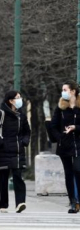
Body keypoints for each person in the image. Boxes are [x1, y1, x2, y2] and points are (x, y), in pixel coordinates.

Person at [0, 90, 30, 214]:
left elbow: (27, 132)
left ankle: (20, 203)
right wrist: (1, 143)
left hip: (17, 151)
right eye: (17, 98)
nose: (20, 100)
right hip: (3, 152)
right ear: (10, 101)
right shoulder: (0, 114)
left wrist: (24, 142)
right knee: (3, 179)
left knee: (18, 177)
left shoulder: (22, 116)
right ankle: (3, 205)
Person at [50, 80, 80, 213]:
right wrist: (60, 137)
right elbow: (53, 125)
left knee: (78, 170)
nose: (63, 92)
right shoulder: (61, 107)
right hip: (65, 145)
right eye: (62, 90)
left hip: (78, 144)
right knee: (68, 174)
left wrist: (76, 127)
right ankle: (73, 201)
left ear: (73, 91)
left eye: (65, 89)